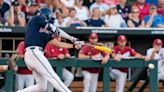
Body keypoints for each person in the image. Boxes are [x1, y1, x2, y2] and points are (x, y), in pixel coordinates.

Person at [16, 8, 83, 92]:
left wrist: (73, 46)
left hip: (34, 55)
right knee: (53, 77)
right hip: (34, 52)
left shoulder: (45, 32)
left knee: (41, 87)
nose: (52, 20)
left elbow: (58, 43)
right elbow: (56, 30)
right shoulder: (37, 19)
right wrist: (71, 38)